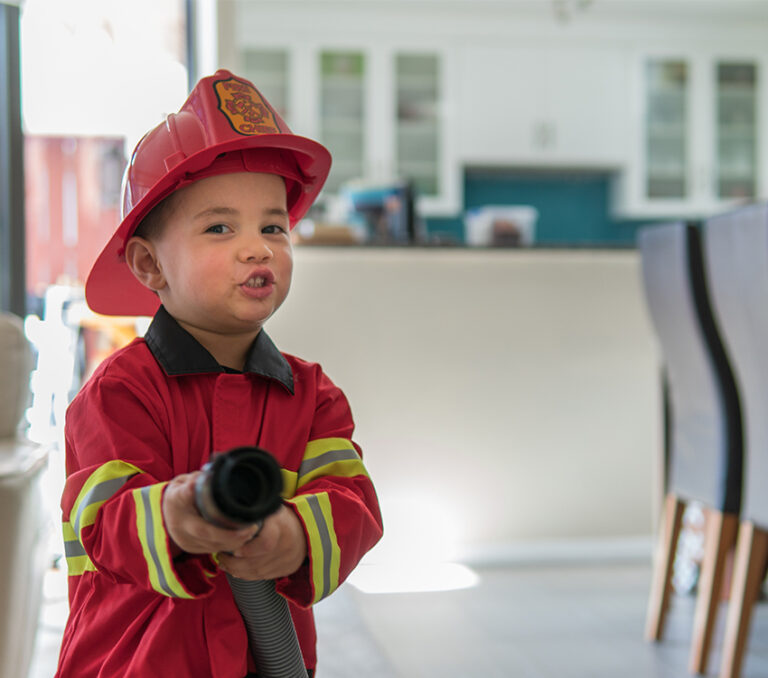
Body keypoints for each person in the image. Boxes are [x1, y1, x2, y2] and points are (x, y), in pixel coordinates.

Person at [55, 69, 383, 678]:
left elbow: (354, 503)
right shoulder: (118, 392)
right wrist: (176, 514)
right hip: (136, 664)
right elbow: (103, 521)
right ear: (150, 264)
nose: (257, 248)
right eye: (219, 228)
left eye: (273, 227)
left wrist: (296, 535)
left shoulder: (311, 395)